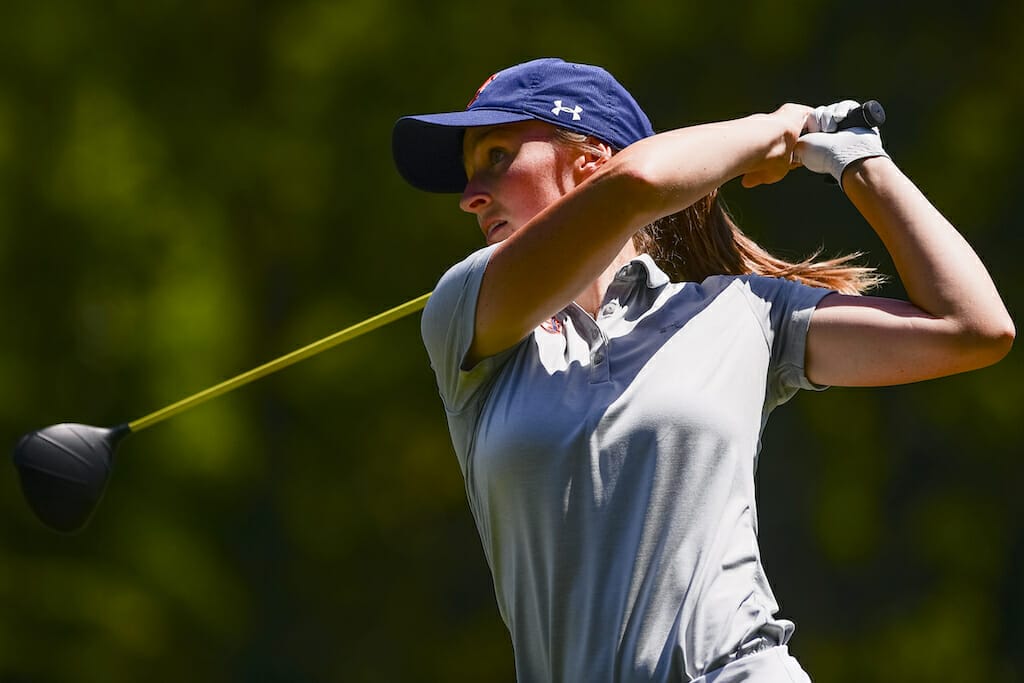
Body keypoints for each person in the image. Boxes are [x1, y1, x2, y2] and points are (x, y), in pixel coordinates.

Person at [391, 58, 1014, 682]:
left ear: (589, 161)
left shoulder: (743, 312)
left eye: (497, 157)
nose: (471, 196)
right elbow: (639, 181)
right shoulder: (464, 316)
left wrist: (857, 159)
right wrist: (775, 129)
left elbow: (971, 329)